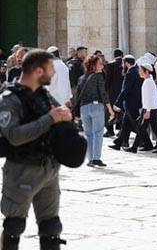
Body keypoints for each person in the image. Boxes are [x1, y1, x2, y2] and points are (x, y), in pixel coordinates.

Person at [0, 49, 73, 250]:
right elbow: (14, 136)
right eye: (51, 69)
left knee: (51, 228)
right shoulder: (9, 99)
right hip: (22, 169)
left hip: (48, 169)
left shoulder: (43, 95)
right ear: (38, 71)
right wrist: (50, 118)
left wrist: (66, 116)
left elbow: (61, 114)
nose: (54, 73)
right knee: (14, 225)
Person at [74, 55, 114, 167]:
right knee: (98, 133)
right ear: (93, 65)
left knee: (88, 134)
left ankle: (90, 159)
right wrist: (110, 110)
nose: (102, 65)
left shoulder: (81, 78)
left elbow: (77, 96)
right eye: (100, 64)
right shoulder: (98, 77)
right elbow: (103, 94)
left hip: (84, 108)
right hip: (96, 107)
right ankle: (96, 158)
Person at [124, 63, 157, 153]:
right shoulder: (149, 81)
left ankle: (135, 147)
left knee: (142, 128)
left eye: (140, 71)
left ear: (146, 71)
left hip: (149, 109)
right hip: (151, 108)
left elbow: (149, 98)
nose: (139, 72)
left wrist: (147, 111)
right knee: (150, 128)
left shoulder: (148, 82)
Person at [110, 55, 143, 150]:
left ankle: (146, 141)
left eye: (123, 63)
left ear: (127, 63)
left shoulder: (130, 73)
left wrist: (117, 103)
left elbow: (125, 90)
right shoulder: (136, 71)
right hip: (134, 102)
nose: (122, 65)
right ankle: (119, 143)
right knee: (125, 124)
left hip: (131, 103)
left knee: (136, 124)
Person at [104, 49, 124, 137]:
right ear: (122, 55)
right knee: (122, 112)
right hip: (122, 92)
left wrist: (105, 90)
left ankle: (110, 130)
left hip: (112, 92)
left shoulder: (110, 65)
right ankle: (121, 131)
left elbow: (107, 79)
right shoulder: (124, 63)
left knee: (110, 112)